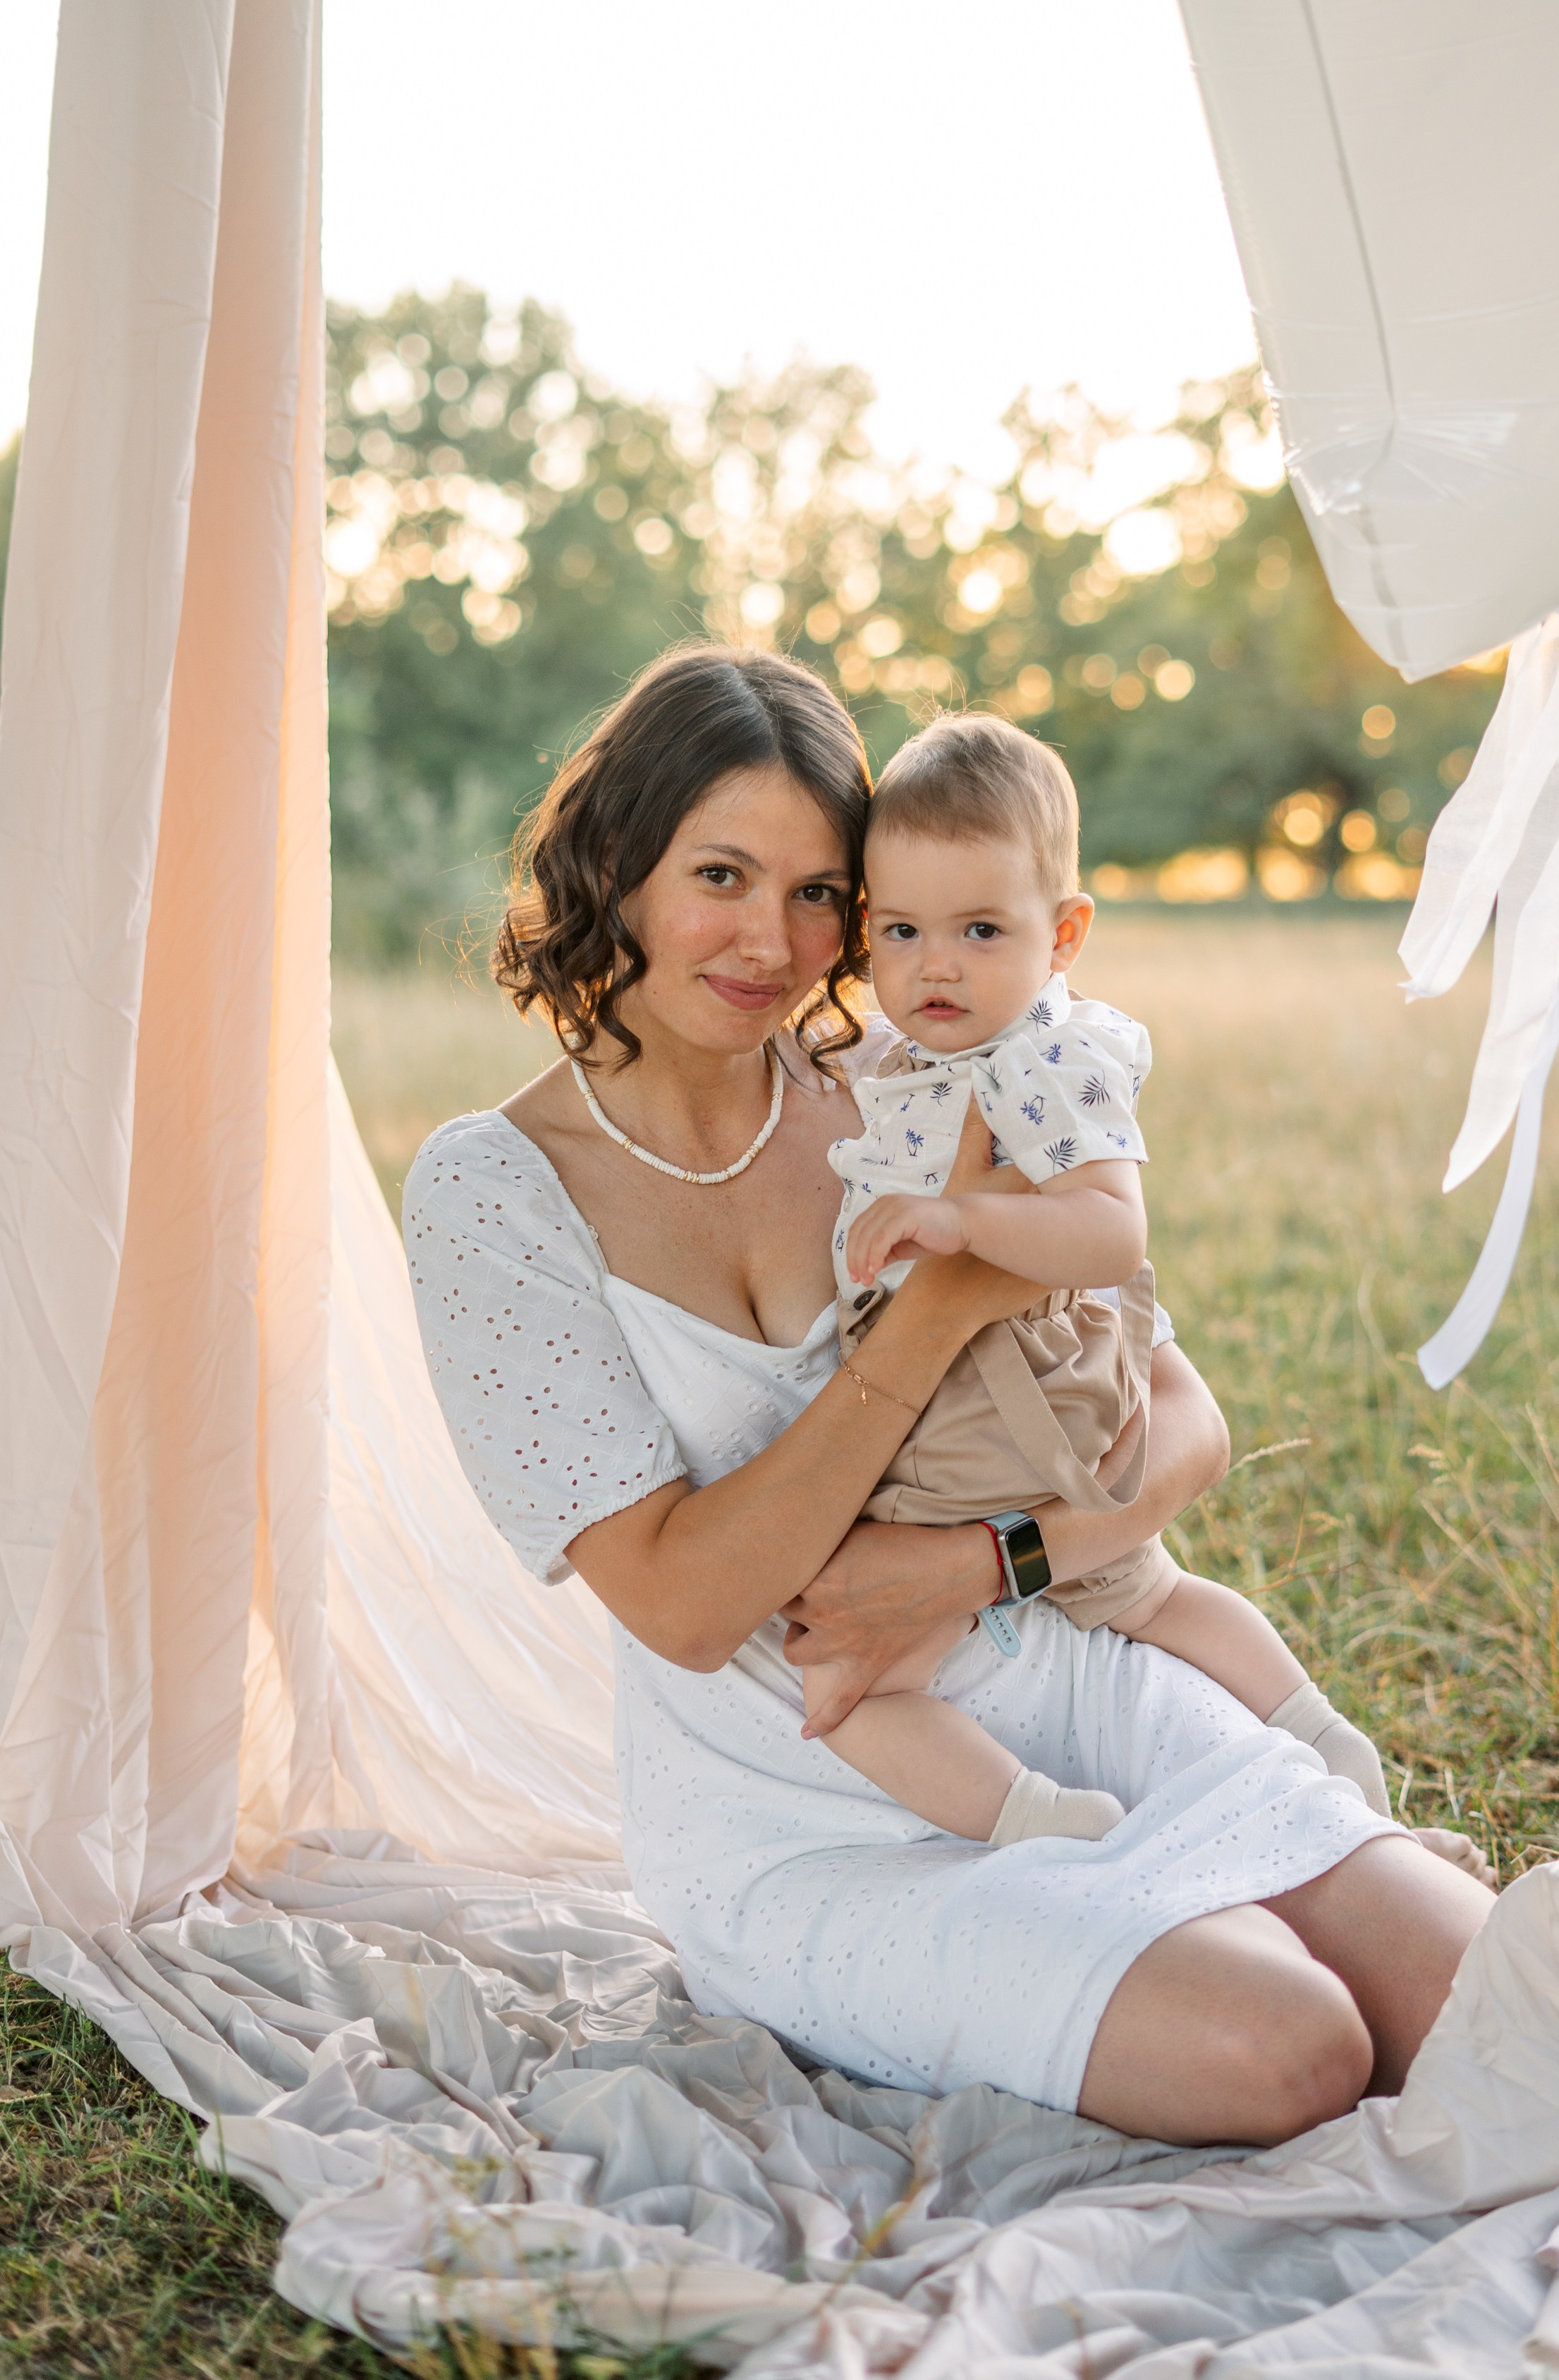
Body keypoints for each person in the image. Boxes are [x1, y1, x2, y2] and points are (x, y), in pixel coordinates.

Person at [403, 641, 1494, 2149]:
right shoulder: (492, 1190)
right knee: (1290, 2045)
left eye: (817, 894)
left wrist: (987, 1562)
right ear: (618, 862)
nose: (773, 942)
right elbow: (684, 1604)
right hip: (804, 1792)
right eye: (721, 874)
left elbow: (1181, 1418)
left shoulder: (918, 1081)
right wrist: (935, 1318)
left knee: (1484, 1999)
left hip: (1054, 1671)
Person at [805, 712, 1394, 1848]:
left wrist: (956, 1217)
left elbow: (1113, 1233)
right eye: (903, 929)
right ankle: (1310, 1732)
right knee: (1148, 1594)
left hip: (993, 1406)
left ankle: (1039, 1822)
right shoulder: (925, 1055)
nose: (936, 964)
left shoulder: (1042, 1063)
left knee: (852, 1682)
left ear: (1064, 933)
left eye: (982, 928)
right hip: (1021, 1400)